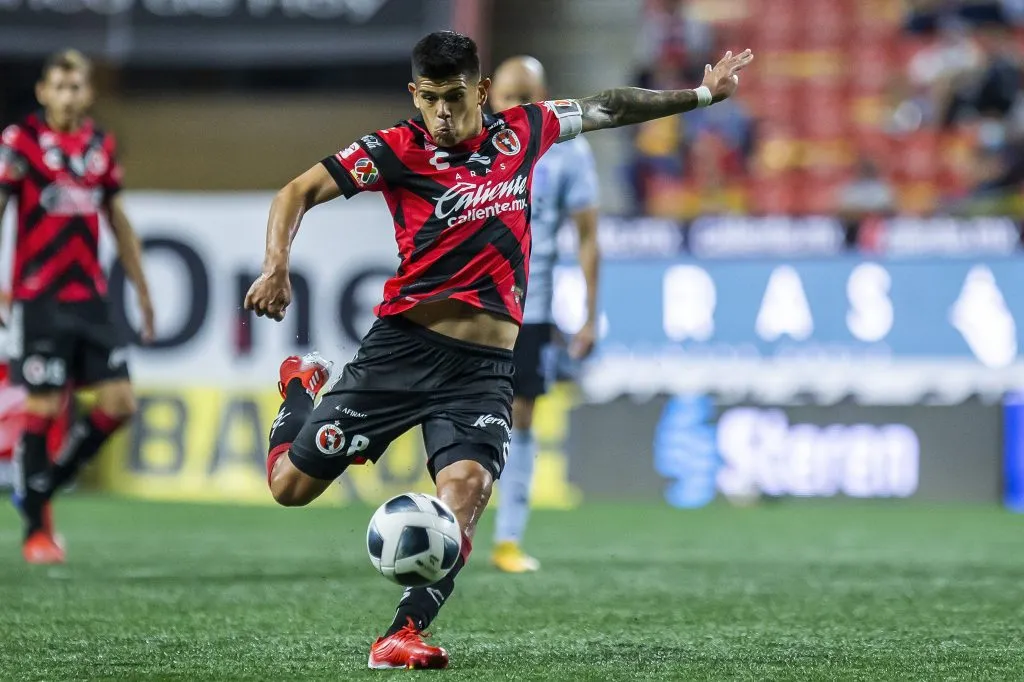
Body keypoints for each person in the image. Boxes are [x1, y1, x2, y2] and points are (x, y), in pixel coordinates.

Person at [244, 31, 752, 669]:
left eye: (455, 97)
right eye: (430, 99)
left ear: (480, 91)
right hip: (403, 352)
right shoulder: (394, 149)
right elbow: (295, 193)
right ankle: (300, 386)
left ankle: (401, 634)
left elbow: (610, 105)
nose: (443, 113)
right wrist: (275, 266)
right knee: (289, 488)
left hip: (482, 372)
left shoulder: (524, 131)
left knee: (467, 492)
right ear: (414, 94)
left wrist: (700, 94)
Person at [0, 50, 155, 564]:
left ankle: (41, 486)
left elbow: (118, 220)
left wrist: (141, 290)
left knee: (120, 403)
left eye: (76, 87)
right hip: (38, 298)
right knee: (44, 407)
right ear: (43, 92)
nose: (68, 96)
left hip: (90, 298)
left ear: (88, 93)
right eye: (59, 87)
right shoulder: (19, 141)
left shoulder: (99, 145)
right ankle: (37, 532)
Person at [486, 56, 600, 573]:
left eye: (526, 97)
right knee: (459, 411)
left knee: (522, 416)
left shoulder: (568, 148)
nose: (516, 107)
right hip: (471, 301)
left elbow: (588, 236)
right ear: (490, 97)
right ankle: (452, 526)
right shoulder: (473, 144)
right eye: (508, 97)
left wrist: (590, 315)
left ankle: (508, 538)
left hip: (530, 304)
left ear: (545, 96)